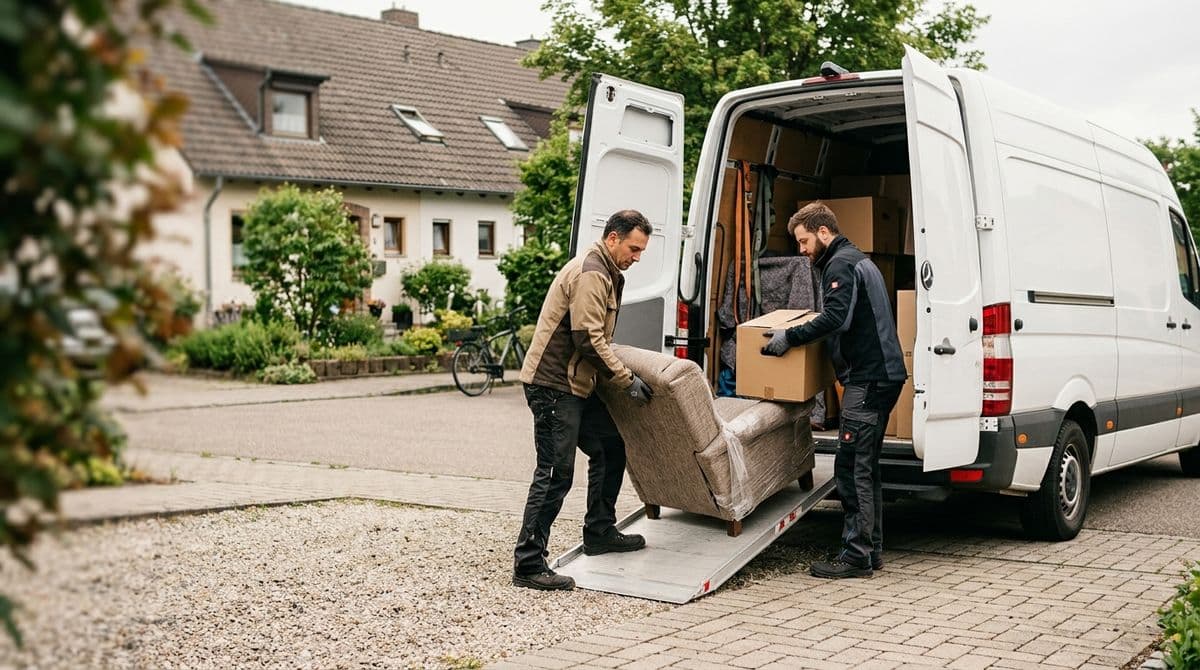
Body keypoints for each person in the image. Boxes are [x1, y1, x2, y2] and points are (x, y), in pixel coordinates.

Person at [511, 209, 656, 591]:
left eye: (641, 251)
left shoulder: (607, 271)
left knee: (610, 447)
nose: (637, 257)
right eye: (634, 248)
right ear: (613, 238)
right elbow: (588, 339)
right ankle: (528, 564)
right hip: (554, 385)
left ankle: (599, 532)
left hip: (576, 385)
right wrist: (627, 380)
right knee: (556, 473)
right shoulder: (592, 271)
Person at [761, 201, 907, 579]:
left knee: (851, 465)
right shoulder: (857, 259)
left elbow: (836, 318)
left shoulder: (840, 264)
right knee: (866, 466)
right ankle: (870, 550)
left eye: (805, 241)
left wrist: (790, 337)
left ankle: (855, 555)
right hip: (882, 377)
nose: (802, 250)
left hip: (868, 379)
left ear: (824, 232)